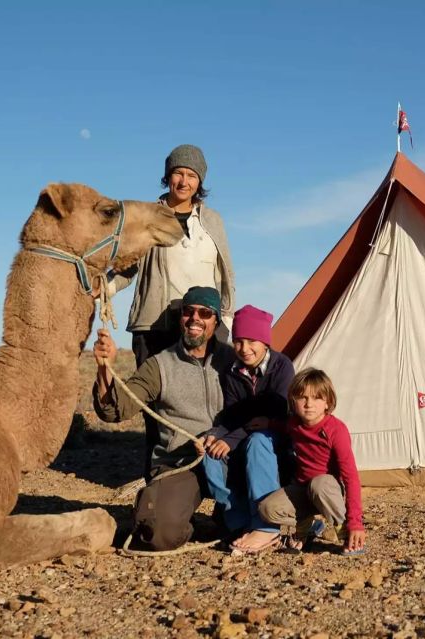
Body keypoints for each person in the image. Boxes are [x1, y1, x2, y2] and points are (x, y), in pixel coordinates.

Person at [106, 144, 236, 468]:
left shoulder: (213, 221)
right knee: (155, 403)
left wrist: (228, 318)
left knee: (214, 400)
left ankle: (215, 475)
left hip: (204, 323)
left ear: (199, 181)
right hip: (156, 324)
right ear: (168, 176)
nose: (184, 181)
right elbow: (129, 264)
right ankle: (159, 476)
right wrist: (107, 286)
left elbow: (225, 272)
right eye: (178, 172)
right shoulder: (148, 218)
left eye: (191, 175)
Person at [92, 286, 233, 551]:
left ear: (216, 320)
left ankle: (224, 517)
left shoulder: (232, 359)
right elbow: (114, 410)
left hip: (227, 456)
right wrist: (104, 370)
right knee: (157, 535)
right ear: (180, 317)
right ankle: (171, 514)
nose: (195, 319)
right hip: (180, 462)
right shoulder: (160, 365)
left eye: (204, 313)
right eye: (188, 312)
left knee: (250, 523)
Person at [195, 305, 296, 553]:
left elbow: (275, 410)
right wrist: (216, 435)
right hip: (244, 434)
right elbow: (235, 413)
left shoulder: (282, 367)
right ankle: (239, 523)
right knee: (209, 455)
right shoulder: (232, 371)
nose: (244, 348)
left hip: (277, 438)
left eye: (252, 341)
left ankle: (267, 526)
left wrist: (231, 439)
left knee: (258, 441)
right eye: (239, 341)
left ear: (265, 342)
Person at [257, 368, 367, 555]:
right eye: (303, 398)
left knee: (319, 484)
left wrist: (355, 521)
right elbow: (284, 427)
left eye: (316, 398)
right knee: (267, 508)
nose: (309, 404)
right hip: (303, 490)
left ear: (328, 402)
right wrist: (266, 424)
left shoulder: (336, 430)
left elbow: (351, 477)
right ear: (293, 401)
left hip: (327, 490)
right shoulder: (294, 424)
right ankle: (308, 527)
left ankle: (346, 534)